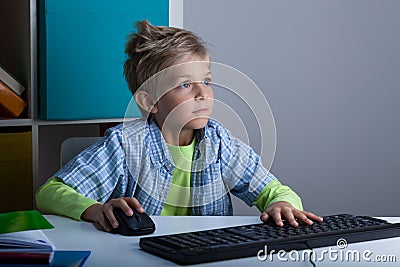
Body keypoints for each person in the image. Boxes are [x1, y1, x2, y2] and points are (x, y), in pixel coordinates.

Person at [36, 20, 322, 232]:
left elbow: (272, 190)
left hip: (204, 254)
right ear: (150, 101)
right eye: (185, 84)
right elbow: (49, 192)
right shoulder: (124, 145)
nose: (203, 93)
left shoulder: (220, 144)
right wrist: (96, 210)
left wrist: (283, 204)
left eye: (206, 81)